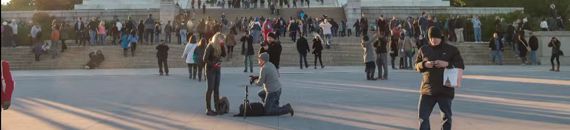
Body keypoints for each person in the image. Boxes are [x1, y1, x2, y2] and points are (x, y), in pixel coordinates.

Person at [415, 27, 465, 130]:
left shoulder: (451, 50)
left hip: (445, 89)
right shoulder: (423, 49)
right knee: (422, 117)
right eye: (431, 38)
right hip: (427, 89)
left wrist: (447, 64)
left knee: (446, 118)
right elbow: (416, 66)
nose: (434, 40)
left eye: (436, 38)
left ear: (441, 37)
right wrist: (424, 64)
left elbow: (460, 65)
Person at [203, 33, 226, 116]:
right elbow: (204, 59)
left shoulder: (220, 46)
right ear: (217, 39)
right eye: (221, 39)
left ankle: (217, 108)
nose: (223, 40)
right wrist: (213, 64)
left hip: (217, 69)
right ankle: (208, 109)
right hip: (210, 69)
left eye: (223, 39)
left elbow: (224, 55)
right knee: (210, 89)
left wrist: (223, 46)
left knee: (216, 89)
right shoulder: (210, 46)